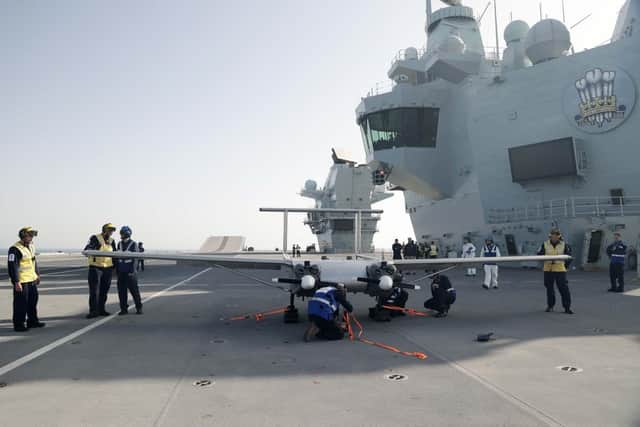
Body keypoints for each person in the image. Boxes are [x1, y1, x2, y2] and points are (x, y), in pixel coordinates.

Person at [8, 227, 45, 332]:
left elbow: (33, 261)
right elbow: (13, 266)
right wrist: (16, 281)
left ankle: (32, 321)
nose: (32, 237)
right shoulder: (15, 249)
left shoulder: (31, 247)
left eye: (32, 235)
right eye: (30, 235)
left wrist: (37, 274)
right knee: (21, 303)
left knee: (33, 301)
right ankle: (19, 324)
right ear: (24, 235)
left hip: (31, 279)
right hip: (22, 280)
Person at [84, 223, 117, 318]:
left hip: (108, 268)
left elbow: (114, 255)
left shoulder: (112, 241)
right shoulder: (95, 238)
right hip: (96, 268)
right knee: (94, 291)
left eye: (112, 230)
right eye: (109, 230)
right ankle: (93, 311)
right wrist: (93, 250)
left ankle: (101, 309)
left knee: (104, 290)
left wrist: (115, 268)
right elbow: (87, 249)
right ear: (104, 230)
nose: (111, 232)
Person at [537, 229, 573, 314]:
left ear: (559, 236)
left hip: (560, 269)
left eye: (556, 235)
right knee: (549, 289)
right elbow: (539, 254)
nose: (555, 237)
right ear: (550, 236)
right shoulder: (545, 244)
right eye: (553, 235)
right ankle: (550, 306)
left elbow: (568, 257)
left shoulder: (564, 245)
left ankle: (567, 307)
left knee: (563, 289)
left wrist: (565, 266)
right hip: (548, 269)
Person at [116, 226, 143, 315]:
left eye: (123, 233)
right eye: (121, 233)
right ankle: (123, 309)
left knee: (134, 291)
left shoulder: (133, 244)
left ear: (128, 233)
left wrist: (133, 270)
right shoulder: (119, 244)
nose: (121, 235)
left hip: (130, 272)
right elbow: (116, 258)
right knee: (122, 292)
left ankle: (139, 307)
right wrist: (117, 270)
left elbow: (136, 258)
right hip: (121, 272)